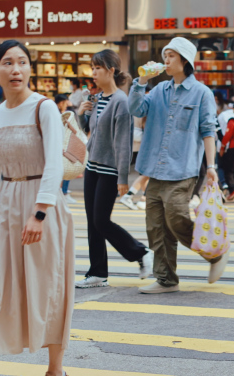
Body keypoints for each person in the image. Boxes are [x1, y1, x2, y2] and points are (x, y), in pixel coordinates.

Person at [0, 40, 74, 376]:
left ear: (30, 70)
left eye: (22, 62)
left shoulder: (45, 108)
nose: (16, 69)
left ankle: (55, 369)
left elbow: (54, 163)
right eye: (7, 63)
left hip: (43, 205)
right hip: (6, 206)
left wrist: (39, 213)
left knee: (47, 286)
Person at [128, 37, 229, 294]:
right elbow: (136, 109)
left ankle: (215, 254)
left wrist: (211, 166)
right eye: (165, 55)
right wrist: (140, 82)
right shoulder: (158, 90)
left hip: (182, 169)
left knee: (177, 219)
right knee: (156, 226)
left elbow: (208, 131)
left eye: (171, 55)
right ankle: (166, 279)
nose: (166, 60)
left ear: (185, 60)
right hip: (154, 168)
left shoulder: (202, 93)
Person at [74, 50, 152, 289]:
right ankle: (97, 272)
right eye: (92, 67)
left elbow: (122, 142)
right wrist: (82, 114)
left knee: (101, 220)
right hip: (92, 167)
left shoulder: (121, 102)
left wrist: (122, 177)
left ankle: (141, 252)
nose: (93, 73)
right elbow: (91, 133)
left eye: (98, 68)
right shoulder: (96, 98)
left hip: (108, 170)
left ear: (111, 70)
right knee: (92, 221)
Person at [54, 94, 78, 204]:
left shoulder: (63, 114)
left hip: (64, 146)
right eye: (64, 102)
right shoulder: (57, 115)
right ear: (60, 103)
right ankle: (63, 193)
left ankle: (62, 192)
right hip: (61, 147)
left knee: (66, 169)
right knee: (66, 169)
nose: (66, 105)